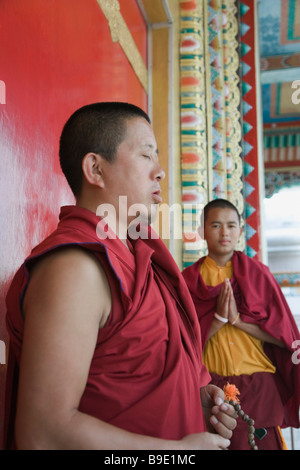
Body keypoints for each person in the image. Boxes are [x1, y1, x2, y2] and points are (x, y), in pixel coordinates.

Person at [4, 102, 237, 450]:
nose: (159, 171)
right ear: (95, 169)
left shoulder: (142, 259)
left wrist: (191, 398)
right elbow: (43, 433)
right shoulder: (76, 267)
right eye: (146, 155)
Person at [182, 198, 300, 450]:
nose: (224, 232)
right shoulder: (187, 282)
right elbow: (182, 341)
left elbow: (283, 337)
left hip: (259, 384)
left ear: (240, 231)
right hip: (211, 387)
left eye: (231, 225)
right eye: (215, 225)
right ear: (202, 230)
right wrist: (217, 321)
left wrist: (237, 321)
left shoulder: (259, 275)